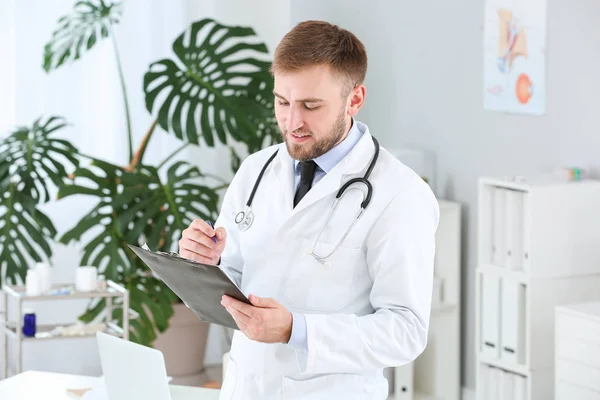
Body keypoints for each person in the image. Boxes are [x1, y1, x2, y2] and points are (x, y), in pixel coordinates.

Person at [178, 20, 439, 400]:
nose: (292, 122)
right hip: (245, 386)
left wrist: (295, 330)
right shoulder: (256, 169)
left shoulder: (401, 195)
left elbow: (406, 331)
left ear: (355, 99)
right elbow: (233, 279)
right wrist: (204, 263)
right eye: (282, 102)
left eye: (310, 105)